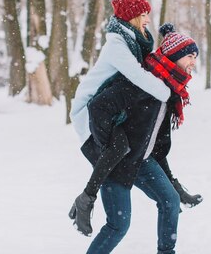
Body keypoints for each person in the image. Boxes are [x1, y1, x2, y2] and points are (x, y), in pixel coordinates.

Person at [80, 24, 202, 254]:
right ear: (174, 57)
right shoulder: (142, 82)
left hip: (142, 160)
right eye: (189, 56)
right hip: (117, 163)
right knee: (118, 226)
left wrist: (175, 184)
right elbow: (98, 106)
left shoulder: (170, 91)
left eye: (195, 56)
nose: (193, 62)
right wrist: (113, 144)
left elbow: (156, 145)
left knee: (171, 201)